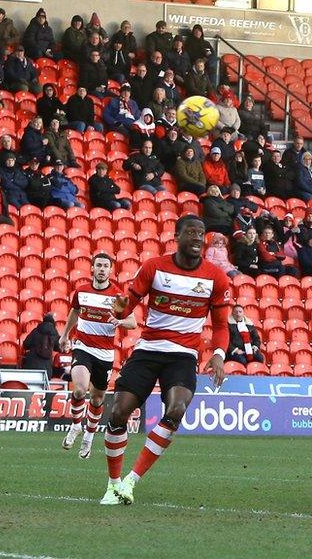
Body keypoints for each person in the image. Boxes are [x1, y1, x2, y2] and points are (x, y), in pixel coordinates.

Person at [101, 215, 231, 505]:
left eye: (202, 234)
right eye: (192, 233)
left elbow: (221, 326)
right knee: (119, 413)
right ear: (177, 236)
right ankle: (113, 484)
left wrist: (219, 355)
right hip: (148, 350)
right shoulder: (154, 267)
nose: (198, 238)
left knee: (177, 409)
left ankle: (131, 482)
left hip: (183, 356)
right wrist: (120, 309)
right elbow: (127, 305)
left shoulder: (216, 277)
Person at [59, 254, 135, 458]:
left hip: (104, 353)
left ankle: (89, 437)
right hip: (83, 347)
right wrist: (65, 334)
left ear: (111, 270)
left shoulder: (117, 296)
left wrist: (119, 322)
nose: (102, 269)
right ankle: (75, 426)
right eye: (98, 265)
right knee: (79, 390)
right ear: (92, 269)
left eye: (105, 266)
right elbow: (75, 311)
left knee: (97, 398)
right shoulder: (82, 291)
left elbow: (133, 322)